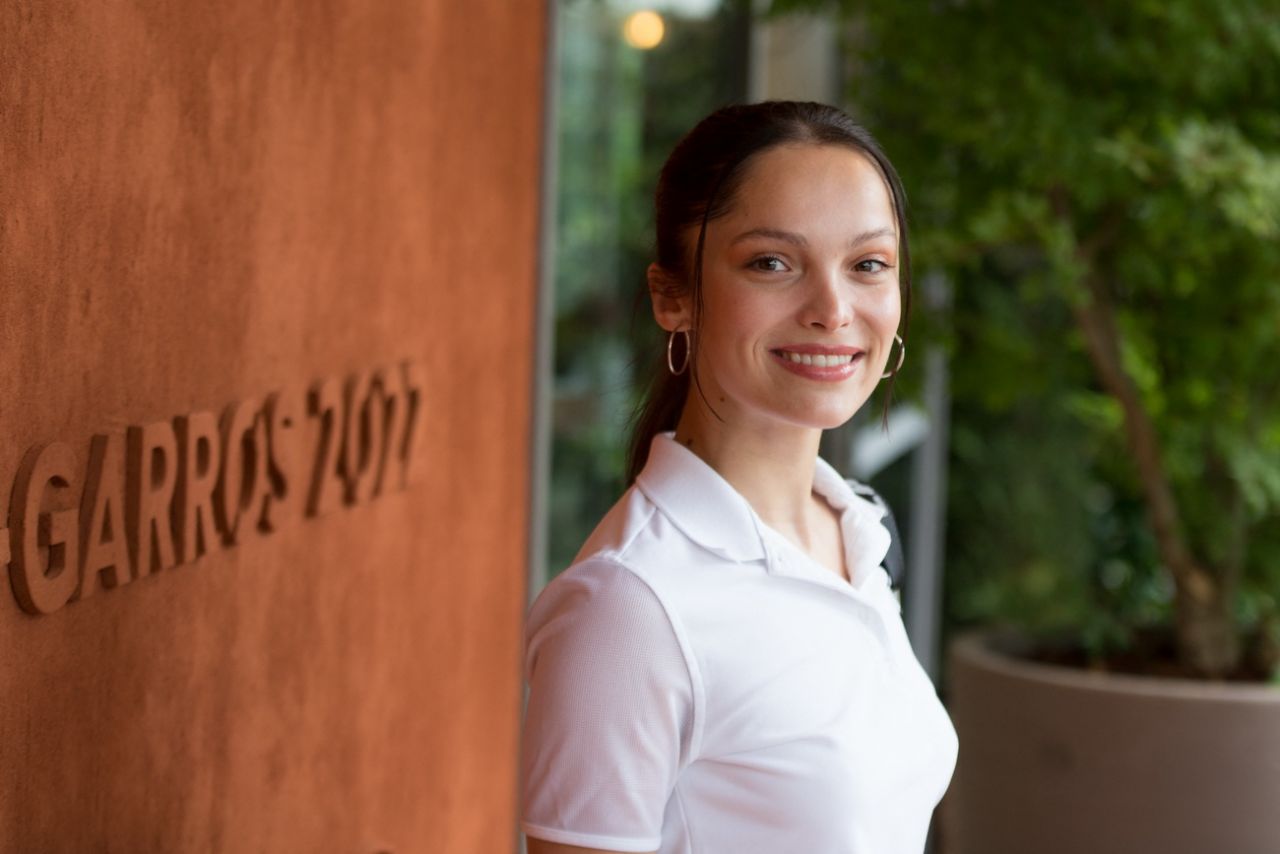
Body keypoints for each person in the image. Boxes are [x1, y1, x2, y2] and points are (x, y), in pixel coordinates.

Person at [520, 101, 957, 854]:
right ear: (673, 297)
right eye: (772, 263)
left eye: (868, 265)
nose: (832, 309)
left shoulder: (853, 527)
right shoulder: (629, 609)